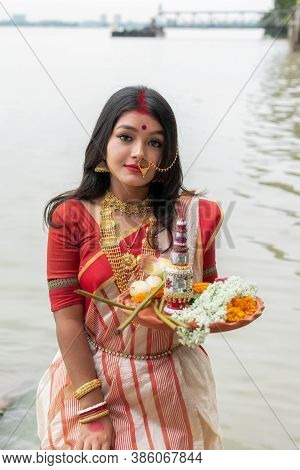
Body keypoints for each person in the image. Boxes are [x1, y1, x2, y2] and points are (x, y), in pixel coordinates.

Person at [36, 85, 224, 450]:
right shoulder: (71, 216)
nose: (139, 153)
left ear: (167, 154)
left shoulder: (198, 214)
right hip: (92, 376)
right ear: (103, 142)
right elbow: (67, 319)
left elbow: (205, 298)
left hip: (173, 380)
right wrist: (92, 413)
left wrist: (225, 311)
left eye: (154, 142)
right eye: (126, 137)